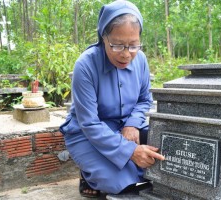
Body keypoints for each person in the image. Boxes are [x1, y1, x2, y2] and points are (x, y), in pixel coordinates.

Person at [59, 0, 165, 198]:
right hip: (87, 133)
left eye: (133, 45)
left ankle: (108, 166)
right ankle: (88, 173)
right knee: (116, 181)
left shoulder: (140, 60)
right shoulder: (86, 64)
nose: (126, 54)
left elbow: (144, 100)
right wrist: (131, 152)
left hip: (126, 128)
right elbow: (89, 123)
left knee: (163, 149)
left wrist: (132, 124)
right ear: (103, 37)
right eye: (117, 45)